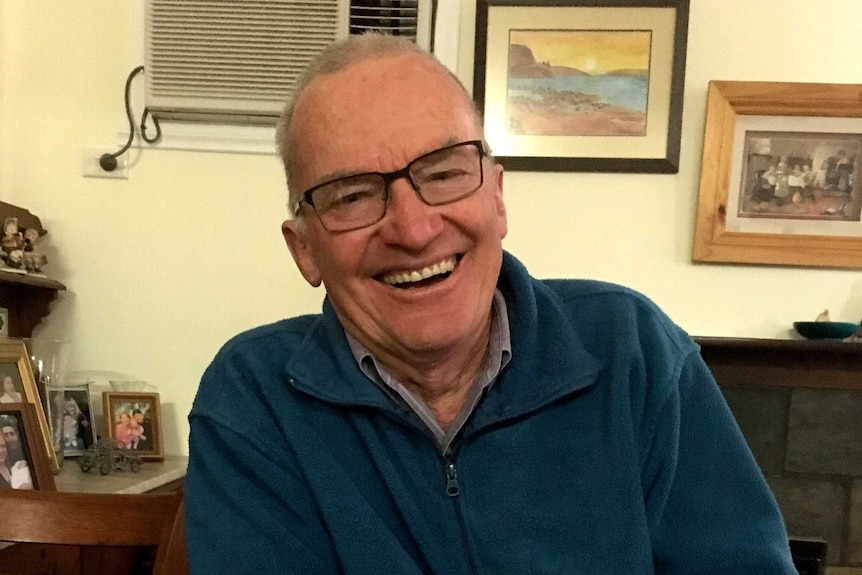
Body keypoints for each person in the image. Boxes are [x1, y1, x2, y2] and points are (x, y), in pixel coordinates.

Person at [185, 33, 797, 574]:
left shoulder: (633, 350)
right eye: (351, 196)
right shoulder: (253, 399)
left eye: (445, 173)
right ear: (305, 250)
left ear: (497, 197)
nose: (414, 229)